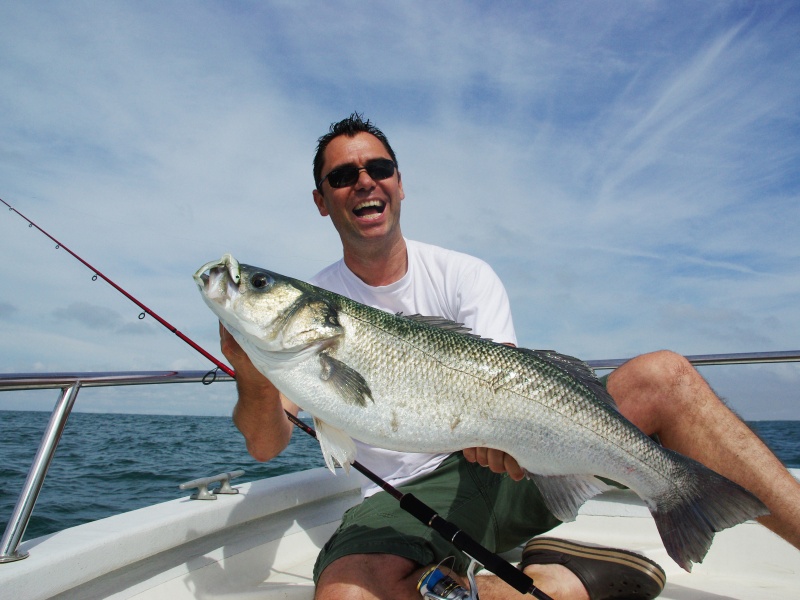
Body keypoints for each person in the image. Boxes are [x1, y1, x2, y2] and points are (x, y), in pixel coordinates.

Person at [221, 114, 800, 600]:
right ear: (322, 202)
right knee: (346, 593)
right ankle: (551, 579)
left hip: (512, 469)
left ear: (400, 183)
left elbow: (508, 388)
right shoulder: (307, 319)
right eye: (343, 177)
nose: (365, 183)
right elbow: (266, 444)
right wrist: (252, 374)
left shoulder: (465, 274)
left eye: (379, 169)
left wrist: (501, 432)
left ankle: (673, 495)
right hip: (405, 500)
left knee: (666, 376)